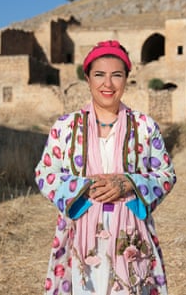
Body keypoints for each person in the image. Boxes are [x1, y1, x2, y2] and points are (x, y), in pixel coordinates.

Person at [35, 40, 176, 295]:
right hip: (79, 235)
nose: (107, 84)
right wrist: (84, 188)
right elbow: (45, 173)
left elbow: (166, 174)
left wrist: (128, 182)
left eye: (116, 75)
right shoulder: (65, 127)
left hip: (131, 237)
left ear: (126, 79)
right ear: (87, 78)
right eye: (99, 75)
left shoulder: (145, 127)